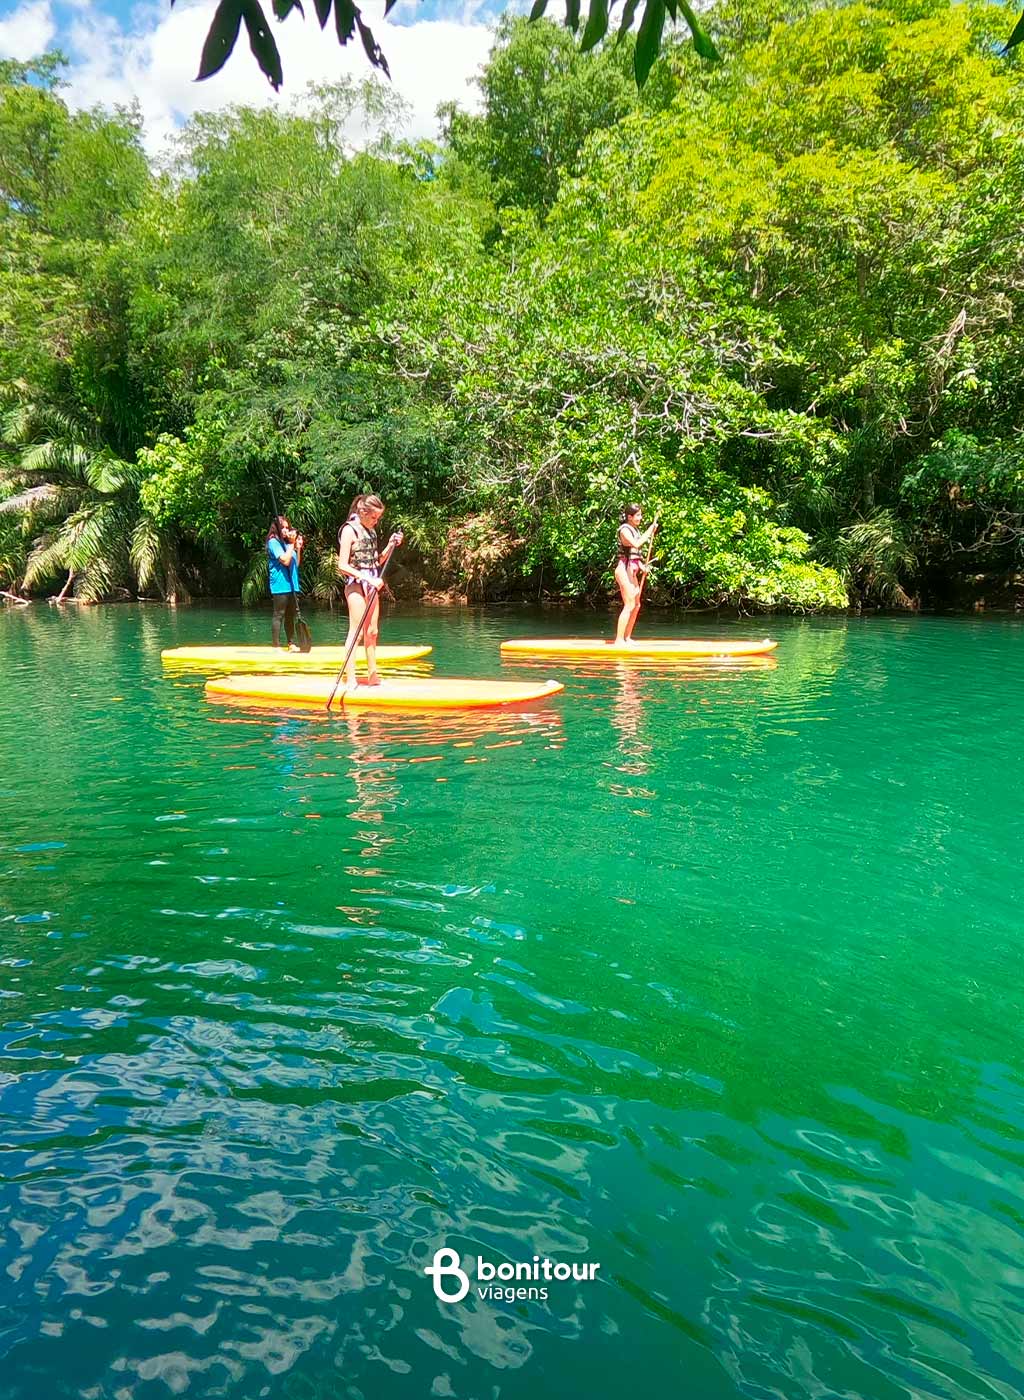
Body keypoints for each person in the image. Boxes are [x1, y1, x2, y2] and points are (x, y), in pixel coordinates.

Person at [336, 494, 403, 687]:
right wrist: (367, 578)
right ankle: (351, 678)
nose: (376, 521)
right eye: (374, 517)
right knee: (356, 632)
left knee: (372, 632)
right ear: (363, 512)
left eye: (378, 518)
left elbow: (376, 561)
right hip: (356, 584)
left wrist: (390, 545)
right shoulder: (349, 530)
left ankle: (373, 675)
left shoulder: (371, 532)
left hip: (372, 584)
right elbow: (342, 565)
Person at [614, 504, 657, 645]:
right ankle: (619, 640)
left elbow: (634, 555)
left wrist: (642, 566)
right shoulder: (624, 530)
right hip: (623, 570)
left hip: (632, 571)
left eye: (640, 515)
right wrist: (650, 530)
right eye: (638, 515)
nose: (640, 518)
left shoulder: (635, 530)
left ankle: (627, 637)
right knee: (629, 604)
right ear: (629, 517)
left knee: (637, 604)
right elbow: (636, 544)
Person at [267, 515, 303, 650]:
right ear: (276, 528)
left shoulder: (287, 544)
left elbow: (295, 563)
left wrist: (297, 548)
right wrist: (292, 544)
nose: (286, 530)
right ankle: (276, 645)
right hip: (280, 584)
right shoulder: (273, 542)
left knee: (290, 615)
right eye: (283, 527)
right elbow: (285, 561)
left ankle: (291, 643)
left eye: (287, 527)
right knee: (279, 614)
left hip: (292, 584)